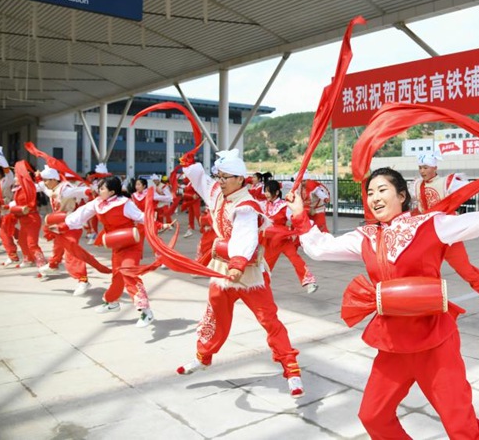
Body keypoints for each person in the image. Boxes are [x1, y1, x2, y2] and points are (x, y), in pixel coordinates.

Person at [288, 167, 479, 439]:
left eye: (382, 190)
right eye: (370, 192)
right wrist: (300, 215)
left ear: (401, 195)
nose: (374, 197)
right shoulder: (366, 237)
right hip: (393, 343)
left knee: (460, 426)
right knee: (373, 415)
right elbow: (320, 249)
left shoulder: (431, 224)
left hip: (435, 341)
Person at [177, 149, 304, 399]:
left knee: (269, 320)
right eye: (219, 176)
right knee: (214, 314)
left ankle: (291, 369)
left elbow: (245, 236)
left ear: (239, 179)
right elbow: (202, 181)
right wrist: (190, 165)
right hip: (225, 269)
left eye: (225, 177)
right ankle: (203, 358)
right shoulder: (218, 193)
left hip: (249, 272)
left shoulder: (247, 205)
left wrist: (237, 263)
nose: (220, 181)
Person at [412, 154, 479, 325]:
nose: (422, 171)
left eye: (426, 167)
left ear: (435, 167)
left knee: (466, 271)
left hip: (448, 233)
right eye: (420, 167)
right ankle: (424, 312)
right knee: (420, 272)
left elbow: (471, 188)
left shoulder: (447, 183)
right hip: (427, 235)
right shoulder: (416, 185)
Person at [58, 176, 155, 328]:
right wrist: (64, 226)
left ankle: (146, 311)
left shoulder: (125, 204)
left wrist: (160, 224)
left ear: (111, 192)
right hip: (116, 243)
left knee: (128, 273)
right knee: (117, 276)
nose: (99, 191)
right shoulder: (97, 203)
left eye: (102, 188)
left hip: (130, 244)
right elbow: (81, 214)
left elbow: (142, 217)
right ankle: (112, 302)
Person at [36, 166, 90, 294]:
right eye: (44, 180)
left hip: (72, 225)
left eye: (47, 180)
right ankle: (53, 266)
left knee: (71, 253)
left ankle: (83, 280)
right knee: (57, 246)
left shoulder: (66, 190)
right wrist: (36, 176)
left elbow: (81, 191)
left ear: (54, 179)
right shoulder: (50, 189)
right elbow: (38, 186)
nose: (45, 183)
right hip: (60, 225)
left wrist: (91, 190)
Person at [261, 179, 318, 293]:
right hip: (270, 240)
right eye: (265, 191)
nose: (266, 194)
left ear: (277, 192)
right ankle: (261, 290)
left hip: (283, 239)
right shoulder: (264, 205)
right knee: (266, 266)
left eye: (268, 191)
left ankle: (309, 282)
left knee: (295, 258)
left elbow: (294, 219)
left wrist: (296, 230)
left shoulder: (284, 206)